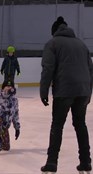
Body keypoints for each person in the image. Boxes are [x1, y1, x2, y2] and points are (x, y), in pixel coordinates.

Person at [40, 16, 92, 173]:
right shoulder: (82, 44)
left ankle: (52, 162)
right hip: (82, 91)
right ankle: (86, 161)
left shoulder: (52, 43)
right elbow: (90, 70)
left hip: (64, 90)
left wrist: (44, 91)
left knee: (57, 125)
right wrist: (88, 92)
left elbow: (48, 68)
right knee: (80, 125)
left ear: (54, 31)